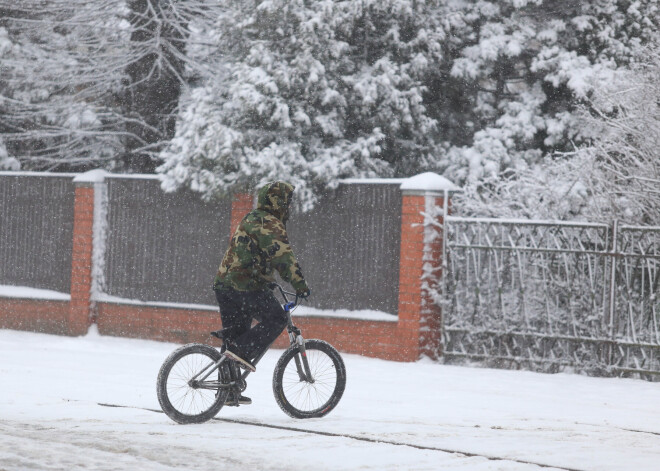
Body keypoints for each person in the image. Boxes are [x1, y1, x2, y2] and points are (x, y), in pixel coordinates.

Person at [213, 181, 310, 405]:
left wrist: (268, 280)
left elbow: (254, 254)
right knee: (276, 319)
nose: (289, 206)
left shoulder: (252, 217)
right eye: (287, 201)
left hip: (225, 285)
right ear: (279, 201)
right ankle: (240, 351)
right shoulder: (270, 223)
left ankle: (227, 390)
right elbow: (283, 257)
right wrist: (300, 285)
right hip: (244, 286)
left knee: (235, 334)